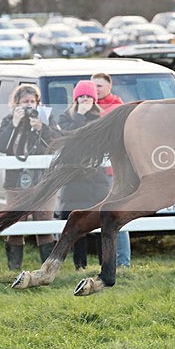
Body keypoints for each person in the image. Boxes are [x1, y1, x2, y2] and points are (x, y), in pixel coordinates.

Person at [0, 84, 61, 269]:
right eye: (25, 102)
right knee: (16, 226)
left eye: (33, 101)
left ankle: (48, 270)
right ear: (16, 103)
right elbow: (1, 145)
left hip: (44, 182)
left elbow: (57, 142)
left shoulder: (46, 118)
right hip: (16, 182)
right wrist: (15, 124)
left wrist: (42, 128)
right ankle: (14, 269)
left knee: (44, 225)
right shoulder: (9, 120)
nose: (29, 105)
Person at [57, 80, 110, 269]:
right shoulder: (65, 118)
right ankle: (79, 266)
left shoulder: (100, 118)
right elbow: (70, 139)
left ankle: (104, 264)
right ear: (76, 99)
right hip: (74, 182)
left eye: (88, 96)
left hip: (96, 181)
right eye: (82, 97)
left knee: (101, 223)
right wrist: (78, 116)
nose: (85, 100)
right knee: (77, 223)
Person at [91, 72, 131, 267]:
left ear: (109, 86)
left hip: (112, 174)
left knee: (116, 216)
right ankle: (107, 261)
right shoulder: (87, 108)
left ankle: (122, 261)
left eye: (99, 85)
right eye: (93, 86)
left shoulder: (117, 108)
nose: (95, 89)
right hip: (91, 176)